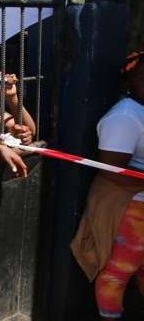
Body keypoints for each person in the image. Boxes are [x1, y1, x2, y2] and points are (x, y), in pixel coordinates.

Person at [71, 51, 144, 320]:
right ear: (129, 82)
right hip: (130, 205)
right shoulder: (126, 116)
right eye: (143, 79)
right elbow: (113, 170)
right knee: (118, 272)